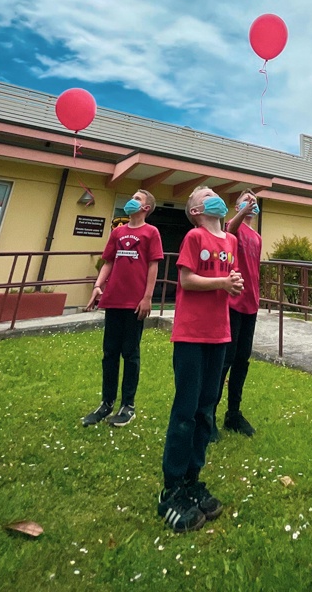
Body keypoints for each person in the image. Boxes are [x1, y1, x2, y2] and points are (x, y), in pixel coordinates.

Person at [158, 186, 244, 533]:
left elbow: (228, 282)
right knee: (185, 411)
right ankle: (171, 489)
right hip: (191, 334)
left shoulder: (232, 243)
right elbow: (187, 280)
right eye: (204, 195)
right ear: (194, 210)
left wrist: (232, 284)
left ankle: (193, 480)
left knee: (206, 410)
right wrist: (224, 281)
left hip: (219, 334)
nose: (213, 196)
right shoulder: (194, 237)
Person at [82, 189, 163, 428]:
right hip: (113, 301)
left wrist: (147, 297)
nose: (131, 201)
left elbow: (153, 265)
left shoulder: (152, 232)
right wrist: (98, 286)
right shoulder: (118, 232)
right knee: (109, 353)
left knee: (130, 353)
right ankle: (106, 403)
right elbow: (109, 261)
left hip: (134, 304)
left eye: (137, 199)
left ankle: (128, 406)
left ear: (146, 207)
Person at [212, 190, 262, 440]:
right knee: (225, 361)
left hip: (251, 305)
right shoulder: (233, 229)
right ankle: (208, 415)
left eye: (254, 201)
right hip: (233, 304)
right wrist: (243, 211)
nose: (252, 204)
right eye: (246, 200)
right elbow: (229, 230)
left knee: (242, 361)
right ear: (236, 206)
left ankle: (233, 414)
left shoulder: (257, 236)